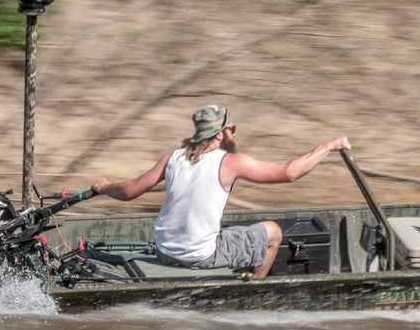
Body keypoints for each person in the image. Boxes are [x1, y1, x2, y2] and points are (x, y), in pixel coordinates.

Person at [91, 105, 351, 277]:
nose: (234, 135)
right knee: (273, 232)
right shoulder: (230, 161)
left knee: (231, 230)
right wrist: (328, 146)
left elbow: (128, 191)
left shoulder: (172, 157)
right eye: (232, 130)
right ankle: (253, 296)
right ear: (219, 134)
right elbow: (289, 173)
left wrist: (104, 187)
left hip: (165, 250)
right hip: (198, 256)